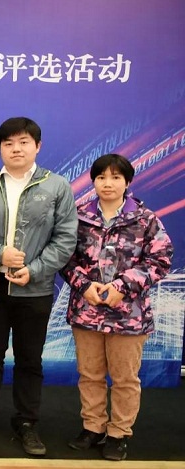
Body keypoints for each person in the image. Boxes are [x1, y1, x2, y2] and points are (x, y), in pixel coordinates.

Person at [0, 117, 77, 456]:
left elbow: (66, 238)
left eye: (24, 142)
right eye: (9, 143)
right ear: (0, 148)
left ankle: (27, 422)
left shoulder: (57, 186)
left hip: (35, 289)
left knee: (30, 359)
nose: (16, 149)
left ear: (37, 146)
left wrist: (34, 270)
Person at [60, 154, 173, 461]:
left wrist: (122, 287)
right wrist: (85, 286)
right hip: (87, 310)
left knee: (125, 379)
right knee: (90, 374)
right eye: (101, 177)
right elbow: (64, 258)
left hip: (129, 315)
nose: (107, 183)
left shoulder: (145, 219)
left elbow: (161, 260)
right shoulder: (79, 216)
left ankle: (118, 433)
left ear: (127, 181)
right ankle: (93, 427)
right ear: (94, 181)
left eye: (115, 177)